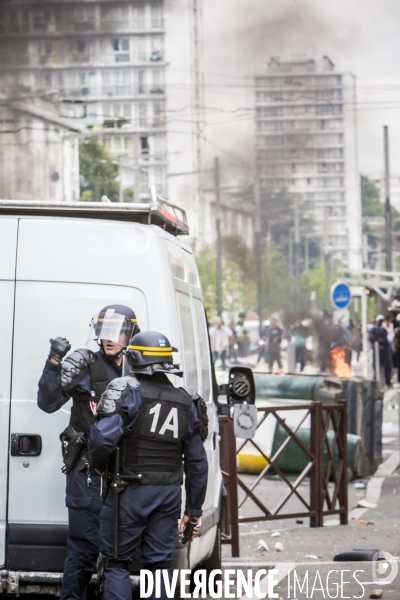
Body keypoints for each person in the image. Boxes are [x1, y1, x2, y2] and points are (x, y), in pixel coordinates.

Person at [89, 331, 208, 600]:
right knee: (158, 566)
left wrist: (98, 466)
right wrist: (194, 509)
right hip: (167, 495)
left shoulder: (127, 391)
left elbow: (101, 439)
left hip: (128, 492)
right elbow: (198, 462)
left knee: (117, 563)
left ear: (133, 358)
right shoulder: (188, 399)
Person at [37, 304, 140, 600]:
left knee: (119, 554)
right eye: (104, 331)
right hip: (86, 473)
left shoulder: (138, 366)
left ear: (130, 333)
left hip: (125, 474)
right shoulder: (86, 364)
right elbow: (47, 402)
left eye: (117, 332)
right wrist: (55, 361)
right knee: (83, 550)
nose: (110, 339)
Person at [369, 314, 391, 387]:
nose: (381, 322)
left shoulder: (383, 330)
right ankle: (375, 383)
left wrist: (379, 340)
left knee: (386, 367)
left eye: (382, 321)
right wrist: (378, 340)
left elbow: (385, 340)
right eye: (380, 321)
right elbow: (371, 338)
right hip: (376, 351)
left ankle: (387, 382)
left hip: (383, 350)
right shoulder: (373, 330)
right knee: (376, 367)